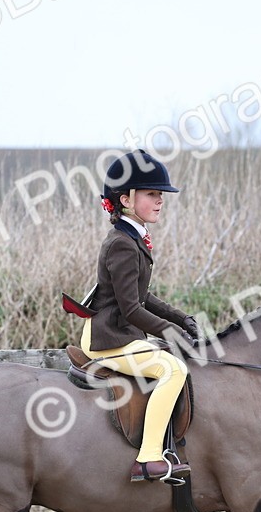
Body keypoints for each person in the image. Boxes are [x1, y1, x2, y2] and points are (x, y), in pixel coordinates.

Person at [79, 149, 199, 482]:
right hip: (109, 338)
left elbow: (140, 295)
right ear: (127, 199)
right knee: (172, 369)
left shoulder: (133, 238)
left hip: (122, 333)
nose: (160, 201)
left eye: (161, 195)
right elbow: (131, 308)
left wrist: (180, 318)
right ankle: (148, 459)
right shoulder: (121, 243)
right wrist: (171, 333)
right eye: (152, 194)